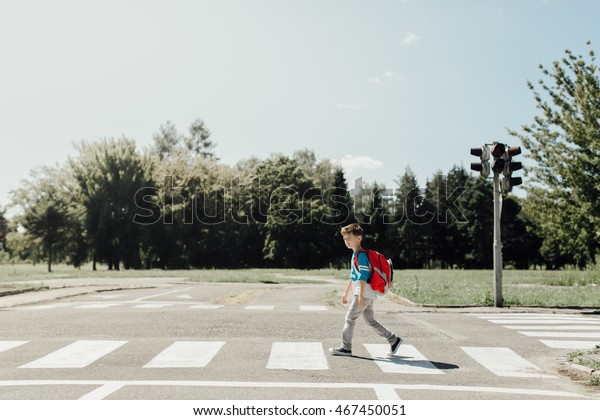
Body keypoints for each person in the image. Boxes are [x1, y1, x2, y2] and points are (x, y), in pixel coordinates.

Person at [329, 223, 402, 357]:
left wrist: (361, 295)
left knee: (350, 318)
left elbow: (363, 275)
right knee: (370, 320)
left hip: (364, 293)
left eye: (349, 238)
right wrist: (346, 292)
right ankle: (394, 340)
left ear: (359, 238)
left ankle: (346, 348)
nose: (347, 241)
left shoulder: (361, 255)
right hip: (366, 293)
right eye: (345, 239)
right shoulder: (355, 255)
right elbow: (353, 276)